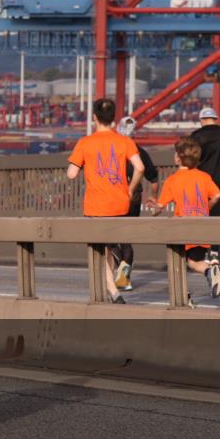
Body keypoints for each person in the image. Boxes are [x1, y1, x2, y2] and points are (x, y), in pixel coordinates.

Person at [66, 99, 145, 304]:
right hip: (121, 204)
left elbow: (72, 174)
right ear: (114, 118)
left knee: (99, 251)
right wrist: (130, 188)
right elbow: (141, 167)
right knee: (110, 248)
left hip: (95, 206)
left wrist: (81, 165)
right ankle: (114, 286)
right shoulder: (125, 142)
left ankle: (114, 291)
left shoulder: (85, 143)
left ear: (94, 117)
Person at [148, 136, 220, 298]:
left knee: (177, 262)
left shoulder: (172, 180)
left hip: (182, 227)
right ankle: (210, 271)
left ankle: (183, 295)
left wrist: (154, 206)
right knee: (194, 262)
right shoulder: (204, 177)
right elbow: (217, 194)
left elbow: (159, 208)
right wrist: (207, 207)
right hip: (202, 226)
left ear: (178, 157)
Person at [113, 116, 159, 292]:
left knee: (105, 234)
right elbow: (153, 178)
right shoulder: (140, 151)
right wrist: (154, 198)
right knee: (127, 237)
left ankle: (119, 263)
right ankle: (124, 278)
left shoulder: (112, 149)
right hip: (134, 197)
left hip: (113, 196)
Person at [191, 107, 220, 263]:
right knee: (216, 215)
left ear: (202, 120)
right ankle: (215, 252)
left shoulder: (196, 136)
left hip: (200, 180)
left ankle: (201, 250)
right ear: (214, 118)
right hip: (219, 179)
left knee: (199, 213)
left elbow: (191, 159)